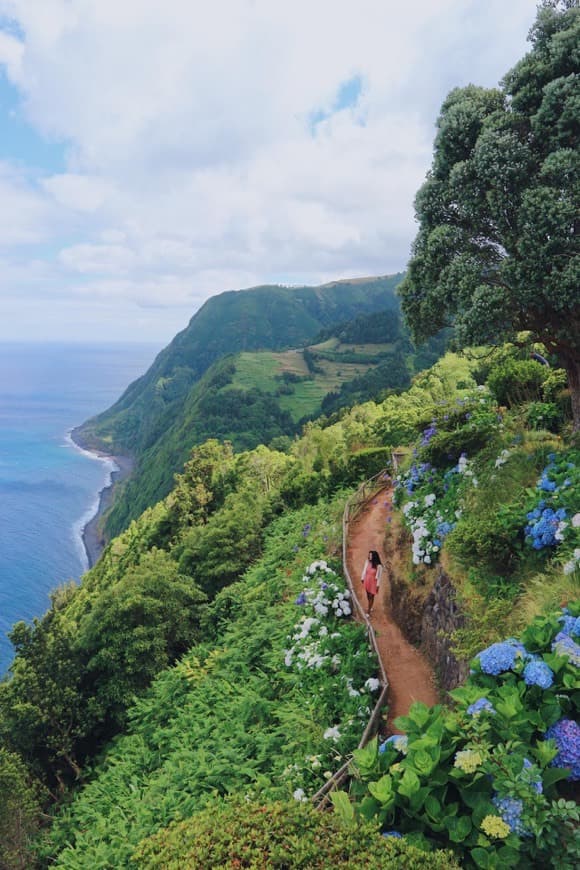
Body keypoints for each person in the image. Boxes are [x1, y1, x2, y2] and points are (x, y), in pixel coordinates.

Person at [361, 550, 382, 616]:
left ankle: (368, 611)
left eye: (371, 555)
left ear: (374, 557)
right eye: (369, 555)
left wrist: (378, 586)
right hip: (367, 580)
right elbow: (364, 570)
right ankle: (370, 606)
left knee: (371, 596)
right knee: (368, 595)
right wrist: (362, 578)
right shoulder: (367, 562)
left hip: (373, 582)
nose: (369, 556)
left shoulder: (379, 566)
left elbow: (379, 577)